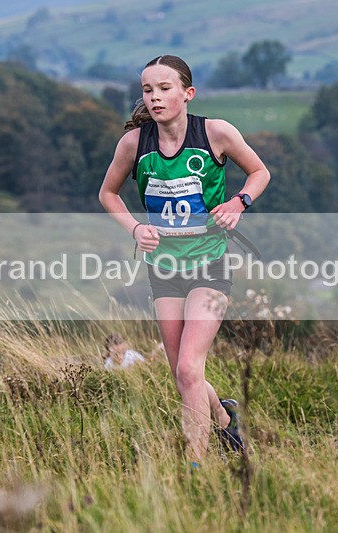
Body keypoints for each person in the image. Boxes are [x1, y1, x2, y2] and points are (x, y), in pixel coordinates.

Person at [98, 55, 271, 465]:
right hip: (164, 269)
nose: (155, 98)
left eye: (164, 88)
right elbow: (108, 194)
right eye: (147, 90)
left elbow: (260, 172)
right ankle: (225, 416)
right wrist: (136, 229)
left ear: (187, 93)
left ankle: (195, 466)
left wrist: (238, 202)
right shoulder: (134, 145)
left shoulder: (216, 133)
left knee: (191, 368)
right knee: (182, 375)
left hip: (210, 264)